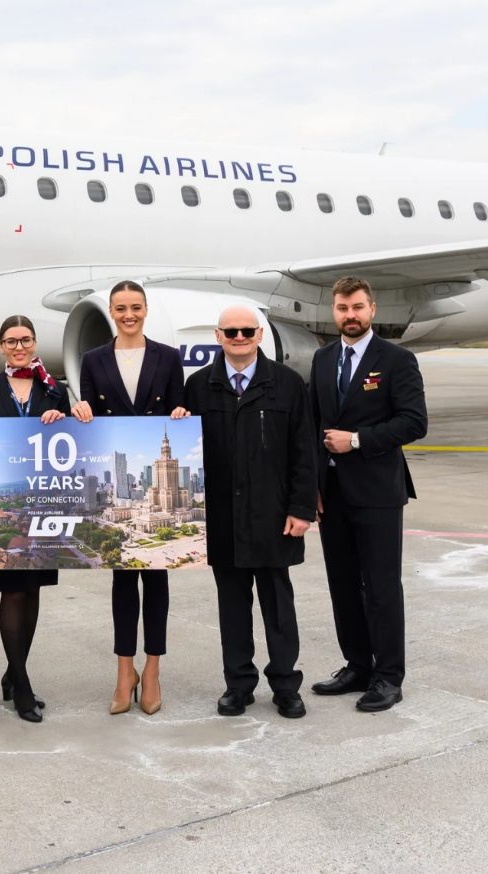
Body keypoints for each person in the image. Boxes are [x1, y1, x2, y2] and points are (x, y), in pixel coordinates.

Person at [69, 281, 188, 715]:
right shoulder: (93, 359)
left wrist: (178, 413)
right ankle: (125, 670)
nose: (128, 314)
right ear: (112, 312)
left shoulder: (168, 357)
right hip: (124, 486)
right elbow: (92, 419)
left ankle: (152, 668)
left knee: (157, 583)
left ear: (146, 309)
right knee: (122, 584)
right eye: (120, 308)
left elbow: (180, 408)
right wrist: (82, 411)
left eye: (135, 307)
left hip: (153, 471)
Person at [309, 277, 428, 712]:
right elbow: (312, 424)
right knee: (342, 585)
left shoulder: (396, 359)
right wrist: (313, 487)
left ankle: (388, 676)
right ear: (334, 311)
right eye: (342, 308)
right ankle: (357, 664)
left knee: (380, 587)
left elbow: (415, 422)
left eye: (357, 307)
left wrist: (356, 440)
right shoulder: (323, 360)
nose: (350, 316)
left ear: (372, 309)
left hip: (377, 492)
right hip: (333, 493)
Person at [193, 306, 316, 718]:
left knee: (279, 607)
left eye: (247, 330)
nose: (239, 337)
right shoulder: (198, 388)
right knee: (232, 607)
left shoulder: (287, 385)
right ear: (218, 335)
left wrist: (302, 509)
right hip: (223, 520)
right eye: (231, 331)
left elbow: (305, 451)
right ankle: (238, 684)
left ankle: (285, 684)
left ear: (260, 334)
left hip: (273, 517)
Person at [0, 314, 71, 723]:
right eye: (10, 341)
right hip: (7, 499)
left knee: (33, 593)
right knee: (13, 593)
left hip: (44, 503)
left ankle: (13, 673)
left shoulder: (53, 389)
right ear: (1, 346)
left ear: (34, 343)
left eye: (25, 340)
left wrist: (61, 418)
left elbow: (71, 441)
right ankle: (22, 685)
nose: (18, 347)